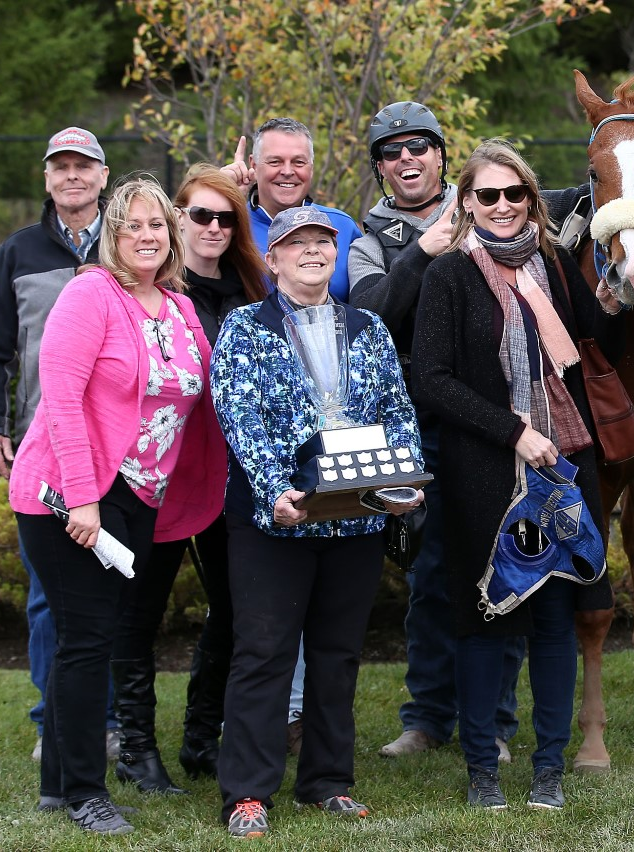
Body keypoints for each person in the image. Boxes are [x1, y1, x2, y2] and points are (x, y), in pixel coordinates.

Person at [7, 177, 226, 835]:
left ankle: (59, 787)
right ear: (113, 234)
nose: (147, 237)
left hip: (138, 499)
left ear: (172, 234)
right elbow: (63, 403)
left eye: (157, 225)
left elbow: (203, 405)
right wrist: (83, 499)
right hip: (67, 498)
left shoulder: (182, 309)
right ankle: (83, 793)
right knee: (86, 642)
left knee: (95, 639)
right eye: (132, 226)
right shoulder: (90, 294)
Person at [412, 139, 614, 810]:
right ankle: (482, 773)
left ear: (532, 200)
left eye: (515, 194)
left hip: (561, 471)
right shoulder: (449, 275)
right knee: (485, 622)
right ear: (466, 203)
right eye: (487, 195)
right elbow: (432, 380)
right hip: (486, 477)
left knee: (557, 622)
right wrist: (514, 431)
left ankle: (549, 769)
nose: (502, 206)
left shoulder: (552, 265)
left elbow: (593, 332)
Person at [211, 206, 423, 839]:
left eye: (322, 244)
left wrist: (404, 480)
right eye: (295, 244)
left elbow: (398, 412)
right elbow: (238, 414)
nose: (311, 251)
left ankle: (327, 781)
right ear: (272, 260)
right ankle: (248, 792)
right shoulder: (246, 328)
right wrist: (275, 488)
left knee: (337, 656)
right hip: (274, 523)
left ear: (335, 256)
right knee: (263, 654)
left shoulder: (370, 328)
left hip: (354, 523)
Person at [349, 101, 525, 763]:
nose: (407, 159)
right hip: (411, 428)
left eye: (420, 146)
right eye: (392, 152)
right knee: (428, 574)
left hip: (491, 422)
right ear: (380, 169)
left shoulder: (493, 211)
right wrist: (422, 252)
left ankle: (497, 722)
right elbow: (371, 318)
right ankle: (426, 719)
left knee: (500, 569)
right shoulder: (370, 242)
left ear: (442, 155)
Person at [106, 164, 270, 795]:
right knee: (140, 613)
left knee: (235, 608)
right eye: (200, 214)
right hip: (163, 477)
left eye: (226, 217)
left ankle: (203, 737)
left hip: (237, 476)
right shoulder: (156, 292)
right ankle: (137, 749)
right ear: (177, 220)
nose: (213, 227)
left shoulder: (254, 289)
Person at [0, 126, 125, 766]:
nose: (72, 177)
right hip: (45, 455)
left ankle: (111, 720)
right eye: (60, 168)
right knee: (47, 597)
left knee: (112, 588)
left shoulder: (129, 248)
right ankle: (52, 717)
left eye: (82, 167)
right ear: (47, 179)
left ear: (103, 176)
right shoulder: (19, 252)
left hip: (118, 450)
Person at [221, 117, 363, 301]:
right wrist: (219, 197)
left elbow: (364, 305)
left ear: (311, 168)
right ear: (254, 165)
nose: (287, 171)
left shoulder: (342, 226)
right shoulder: (227, 226)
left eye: (298, 162)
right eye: (275, 162)